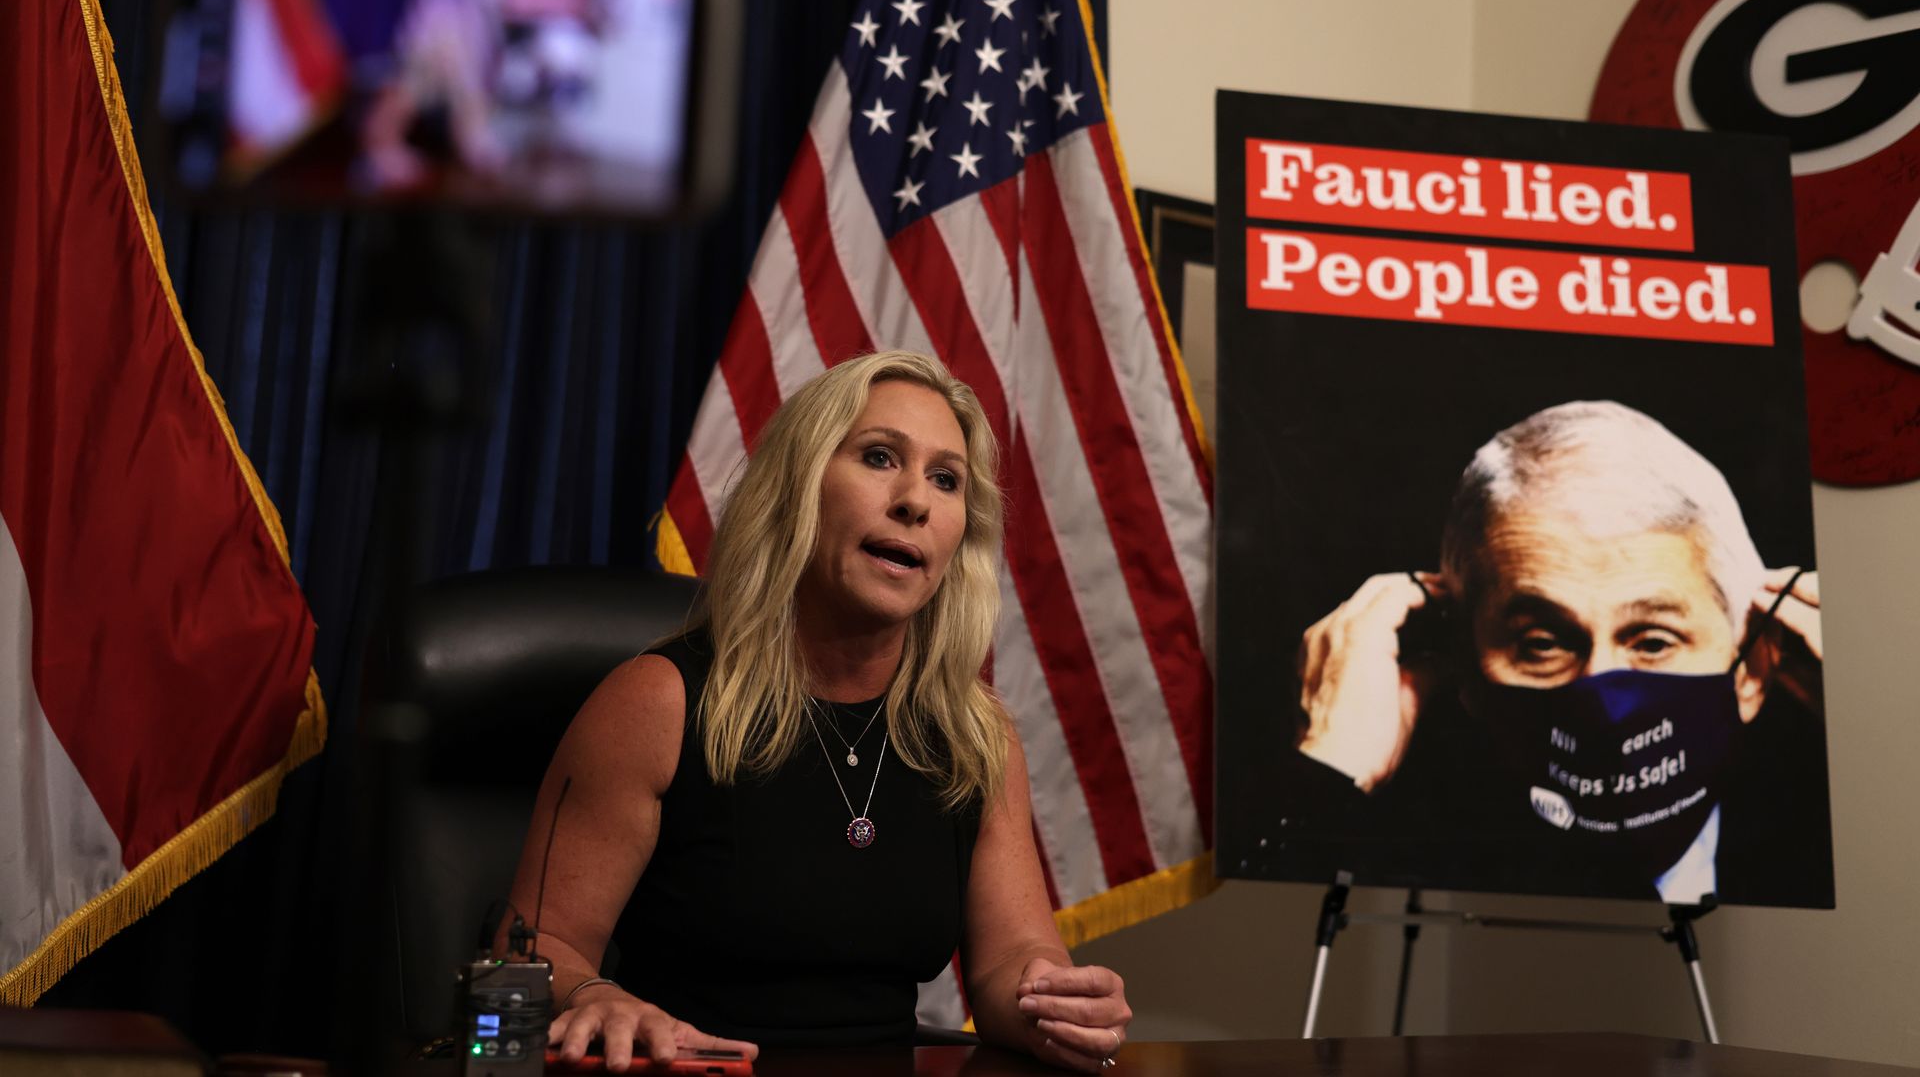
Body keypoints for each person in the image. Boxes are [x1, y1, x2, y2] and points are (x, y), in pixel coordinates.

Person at [505, 351, 1132, 1072]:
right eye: (878, 457)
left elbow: (1008, 965)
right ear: (796, 488)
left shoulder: (975, 736)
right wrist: (597, 994)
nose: (915, 502)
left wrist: (1051, 1001)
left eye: (946, 480)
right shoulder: (658, 701)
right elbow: (535, 947)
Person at [1285, 400, 1827, 904]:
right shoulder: (1403, 859)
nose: (1605, 697)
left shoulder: (1818, 846)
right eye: (1542, 644)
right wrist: (1333, 768)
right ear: (1467, 670)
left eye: (1653, 641)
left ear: (1750, 671)